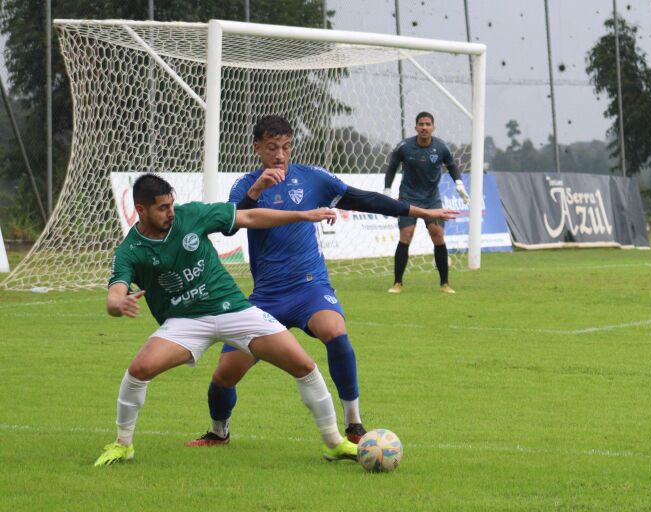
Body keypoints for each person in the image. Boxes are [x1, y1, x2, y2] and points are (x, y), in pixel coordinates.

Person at [187, 115, 459, 448]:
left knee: (335, 332)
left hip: (309, 287)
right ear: (257, 147)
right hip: (266, 298)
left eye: (286, 147)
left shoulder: (312, 178)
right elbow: (232, 225)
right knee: (224, 375)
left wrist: (420, 212)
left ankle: (354, 423)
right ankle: (219, 432)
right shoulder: (245, 186)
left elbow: (363, 198)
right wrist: (258, 190)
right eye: (272, 148)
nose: (281, 155)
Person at [94, 173, 359, 466]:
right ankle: (122, 444)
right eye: (161, 208)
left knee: (304, 365)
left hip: (233, 309)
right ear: (141, 210)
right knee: (139, 369)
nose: (170, 212)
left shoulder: (191, 214)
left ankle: (334, 443)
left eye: (171, 204)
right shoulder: (131, 249)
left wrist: (301, 215)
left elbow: (250, 217)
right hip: (185, 322)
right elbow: (115, 291)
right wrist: (117, 302)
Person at [383, 111, 470, 294]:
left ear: (433, 127)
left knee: (437, 235)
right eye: (421, 124)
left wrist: (459, 184)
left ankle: (445, 284)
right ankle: (397, 283)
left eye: (428, 124)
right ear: (416, 127)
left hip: (432, 198)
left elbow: (452, 165)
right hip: (408, 196)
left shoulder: (440, 147)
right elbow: (392, 166)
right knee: (406, 235)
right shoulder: (405, 147)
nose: (424, 127)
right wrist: (387, 190)